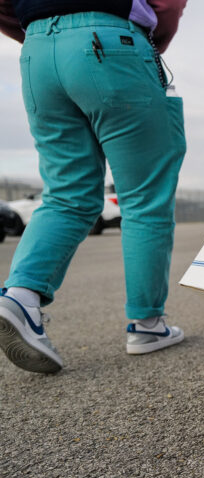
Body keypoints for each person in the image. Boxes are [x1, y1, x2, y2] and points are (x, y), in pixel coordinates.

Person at [0, 0, 188, 374]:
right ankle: (147, 325)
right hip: (109, 37)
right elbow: (167, 3)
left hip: (38, 51)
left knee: (66, 194)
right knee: (144, 196)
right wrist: (153, 37)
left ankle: (19, 297)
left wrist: (40, 28)